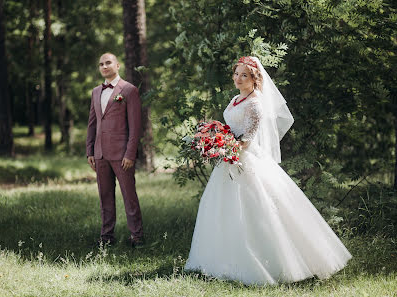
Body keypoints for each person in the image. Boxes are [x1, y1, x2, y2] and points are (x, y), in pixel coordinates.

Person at [184, 56, 352, 285]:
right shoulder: (235, 98)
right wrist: (215, 140)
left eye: (244, 75)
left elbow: (247, 139)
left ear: (255, 78)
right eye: (236, 74)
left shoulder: (255, 103)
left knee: (256, 209)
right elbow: (231, 128)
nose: (238, 78)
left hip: (245, 159)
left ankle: (271, 263)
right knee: (221, 209)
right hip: (229, 160)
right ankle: (219, 262)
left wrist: (223, 146)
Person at [86, 53, 144, 247]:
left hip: (122, 155)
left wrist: (130, 153)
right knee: (105, 197)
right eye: (101, 64)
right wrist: (90, 151)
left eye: (108, 62)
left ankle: (137, 236)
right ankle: (106, 237)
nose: (104, 66)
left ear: (117, 65)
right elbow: (92, 124)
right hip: (100, 153)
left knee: (129, 197)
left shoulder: (128, 90)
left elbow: (135, 126)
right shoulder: (95, 92)